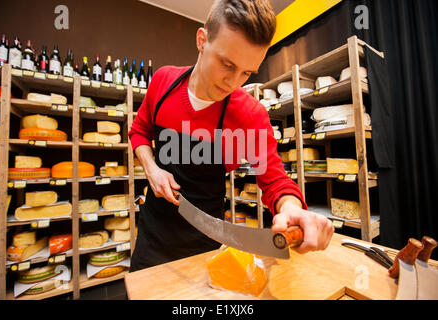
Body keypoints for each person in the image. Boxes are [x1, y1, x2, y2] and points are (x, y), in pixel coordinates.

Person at [128, 0, 334, 272]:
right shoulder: (164, 82)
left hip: (206, 240)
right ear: (202, 41)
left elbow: (275, 181)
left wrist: (291, 207)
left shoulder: (249, 115)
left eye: (246, 72)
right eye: (227, 64)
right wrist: (152, 169)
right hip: (153, 236)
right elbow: (139, 132)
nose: (233, 83)